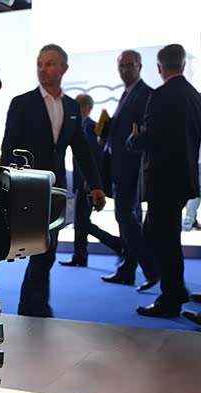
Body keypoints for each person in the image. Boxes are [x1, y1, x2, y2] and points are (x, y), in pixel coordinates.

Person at [1, 44, 106, 317]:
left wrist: (96, 185)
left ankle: (34, 306)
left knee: (47, 248)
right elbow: (8, 148)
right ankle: (34, 307)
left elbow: (81, 150)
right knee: (40, 249)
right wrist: (5, 187)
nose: (42, 69)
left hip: (56, 189)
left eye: (48, 64)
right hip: (28, 188)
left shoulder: (71, 107)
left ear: (63, 68)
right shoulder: (22, 103)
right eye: (39, 64)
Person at [127, 44, 201, 318]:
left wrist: (134, 139)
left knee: (163, 240)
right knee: (165, 237)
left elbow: (150, 137)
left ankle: (170, 299)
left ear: (159, 66)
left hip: (162, 181)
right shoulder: (195, 96)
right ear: (183, 64)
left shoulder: (160, 96)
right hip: (183, 180)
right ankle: (176, 289)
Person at [98, 50, 159, 289]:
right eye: (122, 66)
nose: (125, 70)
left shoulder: (146, 94)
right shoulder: (127, 94)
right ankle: (127, 270)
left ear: (140, 67)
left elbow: (145, 133)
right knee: (128, 219)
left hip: (133, 169)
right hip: (120, 167)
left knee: (125, 216)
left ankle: (151, 267)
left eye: (130, 65)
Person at [60, 93, 122, 266]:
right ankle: (80, 256)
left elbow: (94, 157)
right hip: (83, 182)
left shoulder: (90, 128)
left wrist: (92, 182)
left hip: (87, 184)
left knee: (82, 222)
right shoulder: (83, 126)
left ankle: (116, 244)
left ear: (85, 107)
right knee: (81, 222)